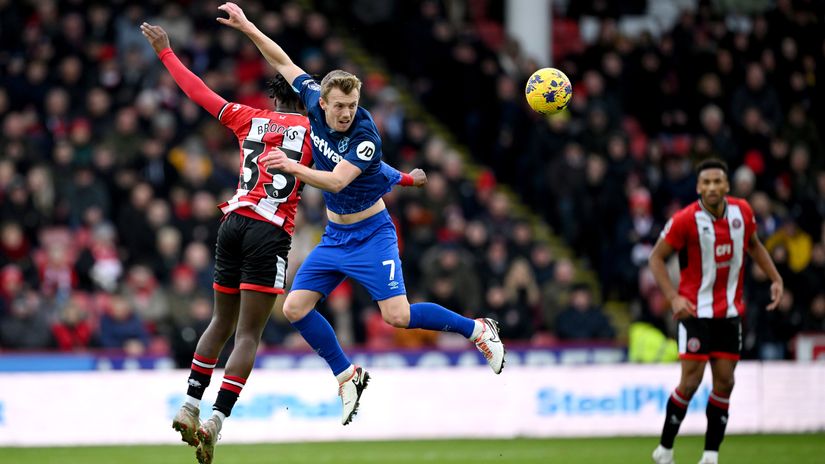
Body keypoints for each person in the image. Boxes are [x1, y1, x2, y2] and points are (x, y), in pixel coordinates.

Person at [216, 1, 506, 426]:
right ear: (323, 100)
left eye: (352, 105)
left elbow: (337, 181)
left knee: (398, 317)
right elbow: (281, 58)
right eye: (339, 107)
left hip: (371, 235)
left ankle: (477, 329)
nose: (346, 113)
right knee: (295, 308)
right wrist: (247, 26)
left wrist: (293, 166)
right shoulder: (312, 99)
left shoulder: (366, 136)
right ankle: (347, 375)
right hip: (335, 237)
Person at [141, 23, 314, 464]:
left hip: (233, 222)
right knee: (249, 333)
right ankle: (216, 420)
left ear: (273, 98)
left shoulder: (249, 117)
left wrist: (166, 53)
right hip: (270, 231)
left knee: (220, 321)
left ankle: (189, 404)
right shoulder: (315, 133)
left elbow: (199, 93)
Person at [648, 159, 783, 464]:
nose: (711, 187)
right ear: (698, 188)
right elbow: (656, 259)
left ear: (727, 185)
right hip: (695, 313)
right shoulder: (685, 220)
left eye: (716, 182)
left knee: (725, 382)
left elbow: (754, 245)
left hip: (729, 314)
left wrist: (775, 277)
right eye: (705, 183)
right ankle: (665, 449)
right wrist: (673, 298)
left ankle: (710, 456)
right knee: (691, 382)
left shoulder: (743, 212)